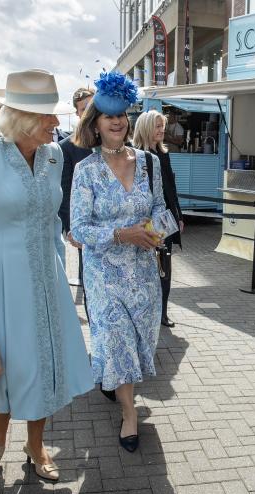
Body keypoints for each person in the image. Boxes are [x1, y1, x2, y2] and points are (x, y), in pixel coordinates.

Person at [0, 70, 92, 479]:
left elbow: (51, 218)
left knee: (44, 358)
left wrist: (60, 264)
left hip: (45, 273)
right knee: (11, 360)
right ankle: (1, 416)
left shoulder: (54, 155)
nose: (55, 123)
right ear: (25, 118)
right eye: (47, 116)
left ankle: (35, 443)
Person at [70, 71, 166, 452]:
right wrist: (121, 234)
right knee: (116, 340)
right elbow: (78, 228)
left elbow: (160, 208)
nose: (116, 121)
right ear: (94, 123)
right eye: (108, 116)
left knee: (141, 339)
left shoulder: (146, 163)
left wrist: (154, 232)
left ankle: (118, 386)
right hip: (104, 274)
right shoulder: (85, 170)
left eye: (122, 115)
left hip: (142, 270)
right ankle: (129, 413)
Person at [132, 110, 184, 328]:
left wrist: (178, 216)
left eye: (163, 126)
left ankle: (162, 313)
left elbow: (171, 189)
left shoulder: (163, 154)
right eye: (158, 126)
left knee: (165, 267)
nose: (162, 130)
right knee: (145, 269)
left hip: (165, 220)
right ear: (145, 128)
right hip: (145, 221)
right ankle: (145, 313)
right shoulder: (134, 155)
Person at [59, 87, 95, 291]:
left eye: (92, 106)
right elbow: (64, 192)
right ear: (78, 113)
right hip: (84, 223)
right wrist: (70, 227)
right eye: (84, 108)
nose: (89, 112)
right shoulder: (67, 147)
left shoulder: (115, 140)